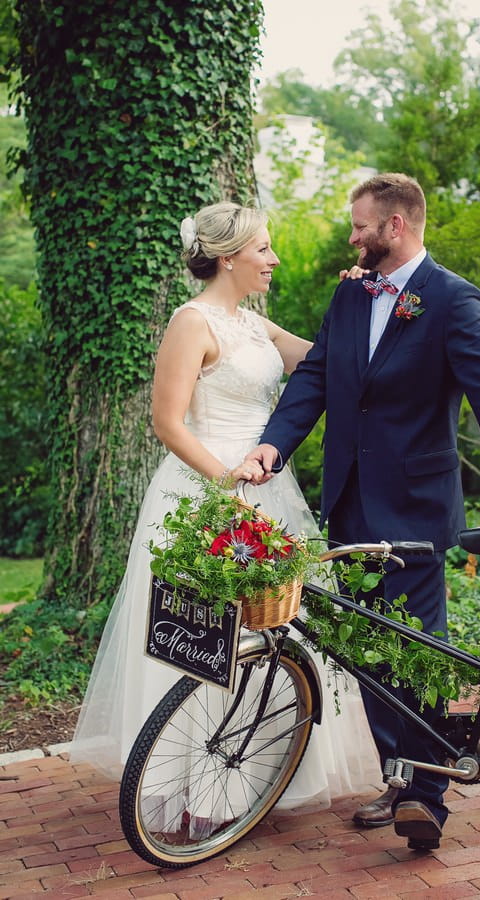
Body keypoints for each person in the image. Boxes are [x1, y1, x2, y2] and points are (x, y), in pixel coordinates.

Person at [245, 173, 480, 850]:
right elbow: (315, 380)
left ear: (396, 227)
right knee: (366, 648)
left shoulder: (452, 300)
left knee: (418, 642)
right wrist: (272, 445)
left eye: (360, 226)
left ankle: (426, 795)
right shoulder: (349, 294)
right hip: (349, 498)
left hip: (417, 505)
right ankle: (400, 770)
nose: (351, 236)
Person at [70, 201, 381, 808]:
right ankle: (191, 784)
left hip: (267, 488)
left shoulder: (255, 324)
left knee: (274, 628)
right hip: (205, 490)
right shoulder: (192, 322)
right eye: (264, 248)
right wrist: (227, 483)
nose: (274, 259)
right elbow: (166, 421)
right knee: (205, 632)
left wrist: (359, 299)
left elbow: (328, 361)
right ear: (229, 255)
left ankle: (256, 777)